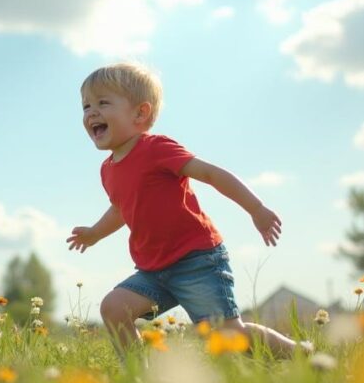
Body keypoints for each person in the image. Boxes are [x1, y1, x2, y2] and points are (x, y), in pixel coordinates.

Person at [67, 62, 310, 357]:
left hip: (197, 261)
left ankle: (300, 354)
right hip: (153, 269)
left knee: (229, 336)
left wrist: (256, 208)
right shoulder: (108, 169)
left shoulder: (156, 148)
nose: (91, 112)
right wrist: (94, 233)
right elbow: (120, 209)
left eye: (103, 103)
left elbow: (211, 174)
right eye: (86, 106)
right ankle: (137, 378)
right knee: (114, 308)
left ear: (140, 113)